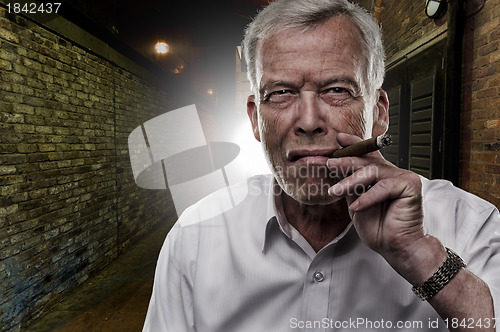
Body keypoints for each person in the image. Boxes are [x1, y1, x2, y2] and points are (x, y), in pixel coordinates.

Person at [143, 0, 500, 331]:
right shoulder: (196, 237)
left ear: (378, 113)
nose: (309, 121)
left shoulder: (469, 226)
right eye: (281, 92)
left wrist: (421, 255)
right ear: (255, 119)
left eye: (337, 90)